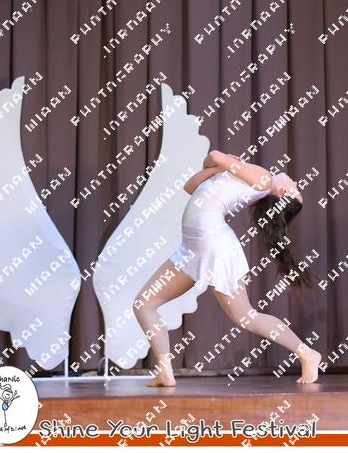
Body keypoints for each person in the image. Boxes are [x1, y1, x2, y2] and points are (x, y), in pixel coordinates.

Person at [133, 150, 322, 387]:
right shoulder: (251, 181)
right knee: (144, 304)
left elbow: (213, 155)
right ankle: (164, 371)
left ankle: (307, 353)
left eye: (296, 188)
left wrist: (224, 162)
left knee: (246, 316)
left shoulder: (264, 178)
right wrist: (220, 166)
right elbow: (190, 186)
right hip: (193, 246)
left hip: (212, 242)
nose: (295, 182)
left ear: (283, 192)